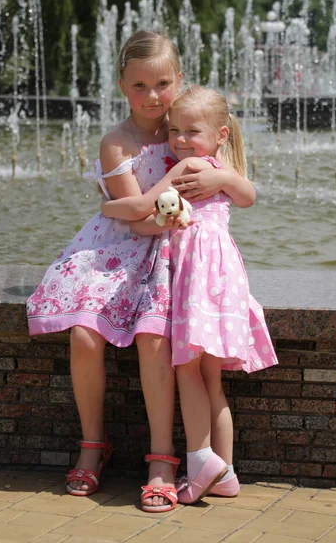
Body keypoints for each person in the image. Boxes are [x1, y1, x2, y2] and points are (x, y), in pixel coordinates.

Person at [26, 31, 243, 513]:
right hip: (122, 246)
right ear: (123, 84)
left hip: (170, 250)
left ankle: (162, 461)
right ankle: (92, 443)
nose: (152, 96)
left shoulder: (190, 129)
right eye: (139, 85)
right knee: (84, 334)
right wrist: (140, 205)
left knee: (155, 337)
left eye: (162, 83)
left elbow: (231, 187)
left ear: (178, 81)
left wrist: (215, 181)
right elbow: (138, 219)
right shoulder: (117, 143)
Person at [101, 85, 278, 504]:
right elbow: (248, 197)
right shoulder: (215, 164)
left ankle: (201, 462)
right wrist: (224, 176)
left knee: (186, 369)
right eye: (175, 130)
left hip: (198, 274)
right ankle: (228, 472)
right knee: (211, 379)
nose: (179, 139)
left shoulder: (190, 167)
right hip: (223, 276)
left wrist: (109, 208)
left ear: (219, 133)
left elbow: (146, 207)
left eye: (191, 130)